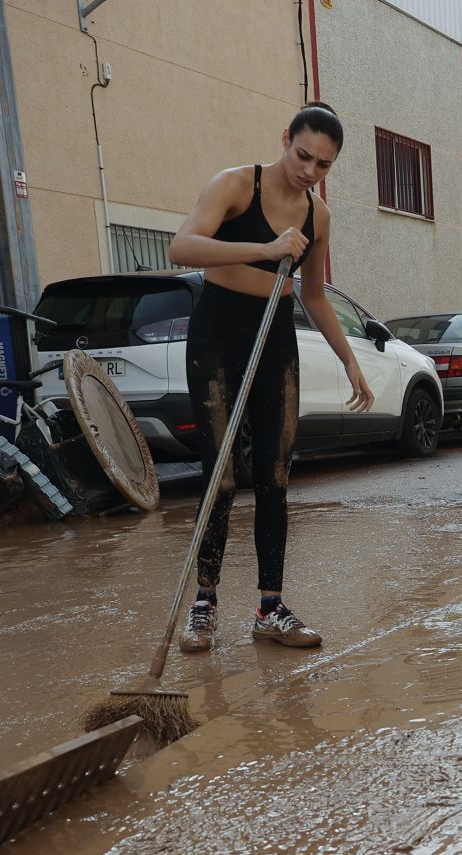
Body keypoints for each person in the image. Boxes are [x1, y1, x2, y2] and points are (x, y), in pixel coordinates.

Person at [167, 101, 374, 651]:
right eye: (303, 155)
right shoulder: (236, 185)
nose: (309, 170)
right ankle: (204, 604)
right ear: (286, 139)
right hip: (218, 331)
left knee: (275, 475)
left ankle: (269, 608)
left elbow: (313, 296)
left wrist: (350, 359)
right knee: (220, 474)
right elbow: (181, 246)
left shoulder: (318, 216)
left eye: (323, 165)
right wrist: (266, 247)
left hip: (275, 332)